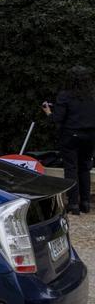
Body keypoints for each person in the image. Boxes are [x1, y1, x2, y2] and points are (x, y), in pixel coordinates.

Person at [44, 66, 95, 214]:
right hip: (91, 135)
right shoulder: (92, 95)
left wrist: (48, 112)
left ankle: (73, 204)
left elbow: (57, 119)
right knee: (85, 167)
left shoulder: (65, 96)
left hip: (71, 135)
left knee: (71, 168)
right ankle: (85, 202)